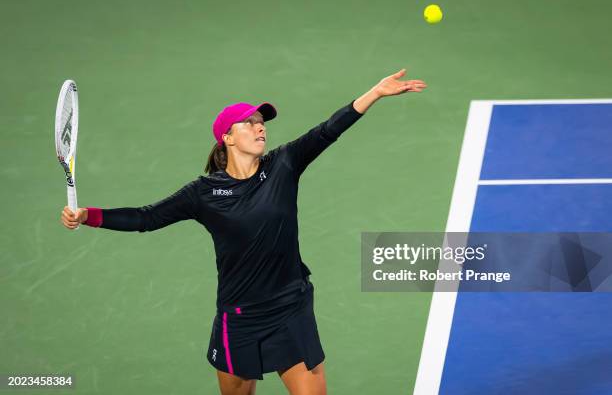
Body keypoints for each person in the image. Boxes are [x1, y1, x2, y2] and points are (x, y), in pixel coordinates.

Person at [60, 68, 426, 395]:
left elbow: (328, 130)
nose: (260, 126)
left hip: (290, 306)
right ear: (227, 138)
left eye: (261, 121)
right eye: (249, 123)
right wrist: (88, 215)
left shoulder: (284, 164)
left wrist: (374, 93)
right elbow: (146, 218)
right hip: (239, 317)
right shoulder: (202, 194)